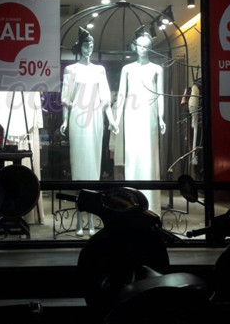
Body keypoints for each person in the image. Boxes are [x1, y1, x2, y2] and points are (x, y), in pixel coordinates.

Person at [60, 27, 118, 236]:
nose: (89, 48)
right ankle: (79, 220)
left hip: (95, 117)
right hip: (77, 117)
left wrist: (112, 120)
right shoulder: (71, 70)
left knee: (93, 167)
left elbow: (105, 100)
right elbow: (66, 99)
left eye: (92, 44)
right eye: (86, 44)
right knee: (78, 169)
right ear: (80, 47)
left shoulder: (99, 70)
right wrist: (64, 121)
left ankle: (92, 218)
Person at [115, 29, 165, 215]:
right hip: (132, 114)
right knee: (133, 157)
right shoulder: (127, 69)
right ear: (135, 46)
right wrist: (117, 118)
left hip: (149, 115)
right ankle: (133, 204)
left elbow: (160, 94)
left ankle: (152, 206)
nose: (142, 49)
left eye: (146, 46)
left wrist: (161, 117)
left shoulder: (157, 69)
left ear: (150, 48)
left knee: (149, 158)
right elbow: (121, 94)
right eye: (140, 45)